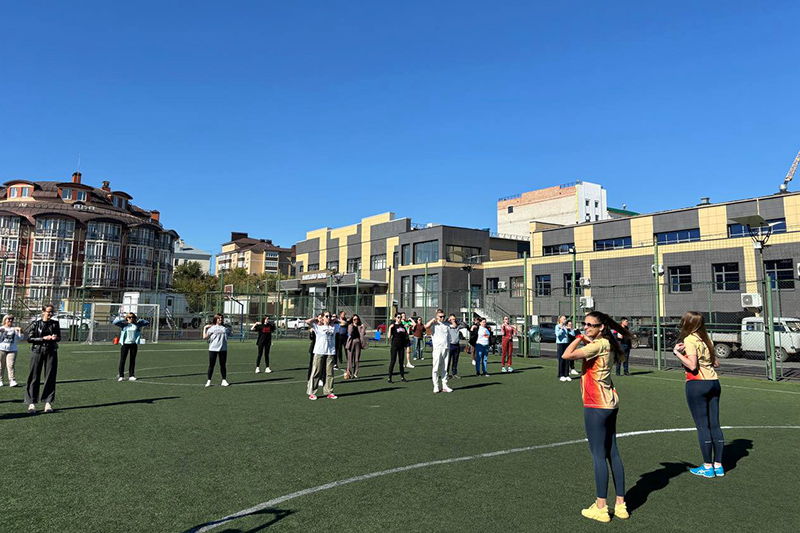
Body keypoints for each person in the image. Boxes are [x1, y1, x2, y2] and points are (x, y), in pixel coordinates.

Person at [563, 311, 629, 523]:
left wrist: (579, 338)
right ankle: (621, 505)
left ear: (601, 327)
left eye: (591, 325)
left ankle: (601, 507)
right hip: (610, 402)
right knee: (613, 453)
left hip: (596, 403)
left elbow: (567, 355)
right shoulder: (608, 344)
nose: (586, 327)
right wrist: (587, 338)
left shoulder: (599, 344)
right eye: (585, 324)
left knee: (598, 455)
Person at [673, 311, 725, 478]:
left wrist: (677, 353)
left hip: (697, 383)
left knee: (703, 426)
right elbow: (716, 363)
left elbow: (693, 365)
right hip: (714, 382)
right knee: (715, 425)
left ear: (688, 323)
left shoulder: (690, 339)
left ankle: (707, 466)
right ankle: (718, 465)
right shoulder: (706, 338)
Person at [25, 304, 61, 413]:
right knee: (34, 376)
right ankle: (31, 403)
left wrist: (55, 338)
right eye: (48, 311)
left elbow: (59, 337)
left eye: (52, 312)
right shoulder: (36, 324)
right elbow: (30, 339)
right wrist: (43, 338)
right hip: (37, 351)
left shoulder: (55, 324)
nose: (50, 314)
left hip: (51, 351)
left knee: (50, 376)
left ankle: (48, 402)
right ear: (43, 311)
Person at [306, 311, 338, 400]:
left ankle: (329, 391)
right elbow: (307, 322)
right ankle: (312, 392)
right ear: (323, 317)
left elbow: (344, 323)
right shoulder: (318, 327)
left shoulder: (334, 326)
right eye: (326, 316)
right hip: (319, 352)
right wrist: (316, 319)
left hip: (330, 352)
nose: (328, 318)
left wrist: (335, 320)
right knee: (316, 372)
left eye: (329, 316)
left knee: (330, 373)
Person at [112, 312, 150, 382]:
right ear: (127, 318)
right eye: (129, 317)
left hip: (133, 344)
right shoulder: (124, 325)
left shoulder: (136, 325)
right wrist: (124, 320)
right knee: (122, 360)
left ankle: (131, 375)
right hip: (125, 344)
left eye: (132, 317)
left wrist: (139, 320)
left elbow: (147, 322)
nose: (131, 318)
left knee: (132, 360)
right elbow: (115, 322)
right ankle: (121, 376)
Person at [425, 309, 453, 393]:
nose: (442, 318)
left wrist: (452, 320)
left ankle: (445, 385)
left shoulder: (446, 324)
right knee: (436, 368)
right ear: (437, 316)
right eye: (440, 316)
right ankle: (436, 386)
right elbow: (426, 326)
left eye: (443, 316)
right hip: (437, 348)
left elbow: (455, 326)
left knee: (445, 368)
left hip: (446, 347)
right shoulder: (434, 324)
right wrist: (432, 321)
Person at [203, 314, 231, 387]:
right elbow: (205, 337)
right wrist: (205, 328)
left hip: (223, 349)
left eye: (221, 318)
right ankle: (209, 381)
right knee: (211, 365)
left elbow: (231, 334)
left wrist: (230, 328)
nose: (220, 319)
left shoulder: (225, 328)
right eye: (219, 318)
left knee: (223, 365)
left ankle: (224, 380)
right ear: (215, 319)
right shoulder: (212, 328)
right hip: (213, 349)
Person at [0, 314, 24, 387]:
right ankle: (0, 380)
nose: (10, 320)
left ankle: (12, 380)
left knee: (11, 365)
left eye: (12, 319)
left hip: (12, 350)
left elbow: (21, 338)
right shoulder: (1, 328)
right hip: (1, 349)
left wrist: (20, 330)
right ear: (5, 320)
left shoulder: (14, 329)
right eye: (9, 319)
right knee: (1, 366)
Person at [387, 313, 409, 383]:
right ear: (395, 318)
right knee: (393, 361)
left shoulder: (402, 326)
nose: (400, 319)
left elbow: (406, 335)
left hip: (401, 346)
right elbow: (389, 336)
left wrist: (408, 328)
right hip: (395, 345)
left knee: (401, 362)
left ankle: (402, 377)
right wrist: (390, 328)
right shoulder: (393, 326)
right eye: (398, 317)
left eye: (400, 317)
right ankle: (389, 378)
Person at [345, 314, 367, 379]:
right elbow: (350, 333)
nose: (356, 320)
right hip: (351, 342)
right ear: (352, 320)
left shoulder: (360, 326)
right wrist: (352, 326)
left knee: (356, 359)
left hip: (358, 342)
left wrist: (363, 327)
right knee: (350, 359)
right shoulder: (350, 326)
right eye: (354, 319)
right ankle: (349, 373)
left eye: (357, 319)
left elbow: (363, 334)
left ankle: (355, 373)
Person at [555, 315, 572, 382]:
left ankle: (566, 374)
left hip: (566, 344)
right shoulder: (557, 326)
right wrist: (561, 329)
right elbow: (557, 334)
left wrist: (571, 329)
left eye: (565, 318)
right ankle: (561, 375)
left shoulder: (565, 327)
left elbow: (571, 334)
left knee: (567, 359)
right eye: (564, 318)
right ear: (560, 319)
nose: (565, 319)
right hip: (560, 344)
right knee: (561, 359)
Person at [447, 314, 463, 379]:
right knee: (448, 361)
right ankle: (446, 373)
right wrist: (449, 321)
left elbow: (465, 325)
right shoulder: (447, 325)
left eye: (454, 319)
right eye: (452, 319)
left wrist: (458, 321)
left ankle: (454, 373)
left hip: (456, 345)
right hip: (450, 345)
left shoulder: (458, 326)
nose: (453, 320)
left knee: (455, 360)